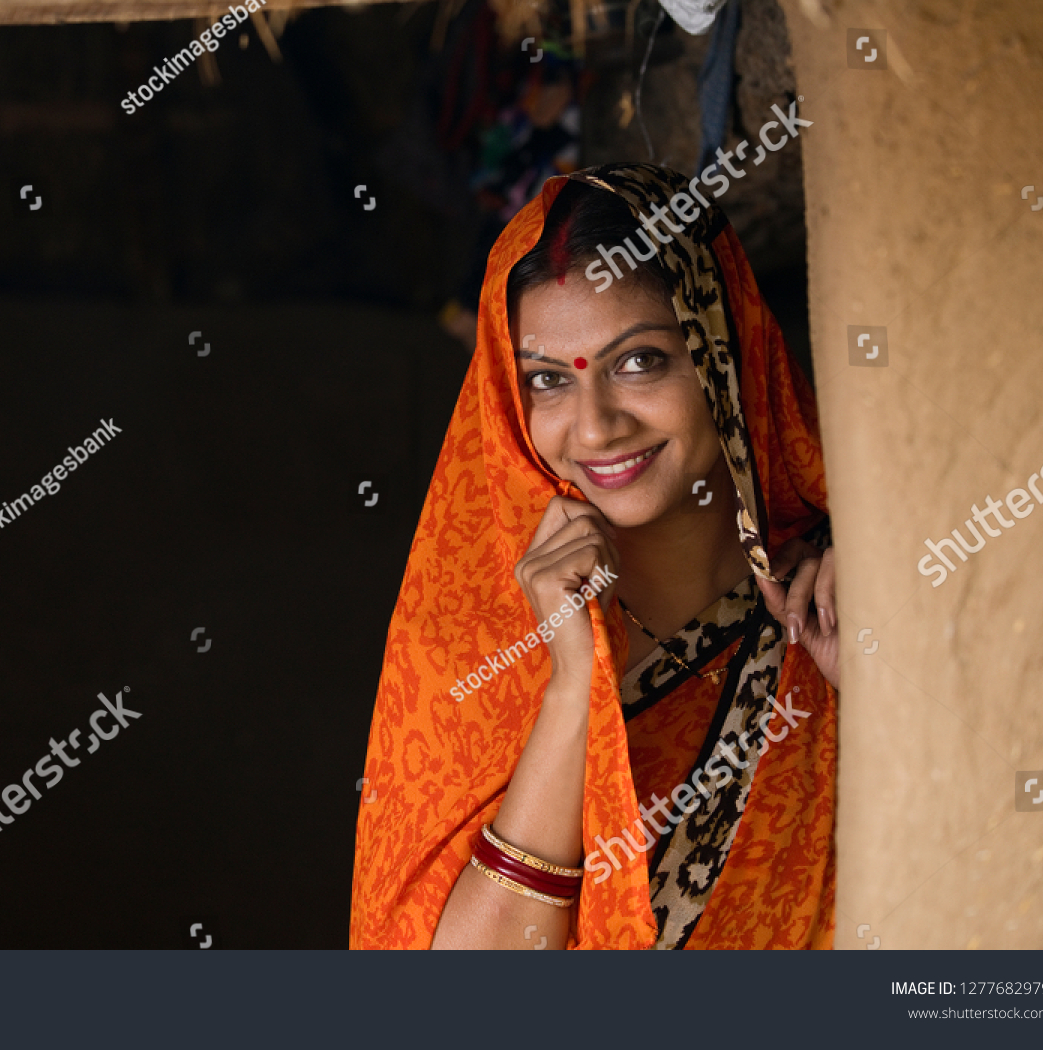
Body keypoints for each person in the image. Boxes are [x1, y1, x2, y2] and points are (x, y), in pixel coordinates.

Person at [349, 163, 838, 950]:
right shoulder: (469, 648)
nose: (596, 426)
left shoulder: (835, 605)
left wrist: (872, 682)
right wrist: (574, 682)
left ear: (725, 353)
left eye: (639, 362)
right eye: (547, 381)